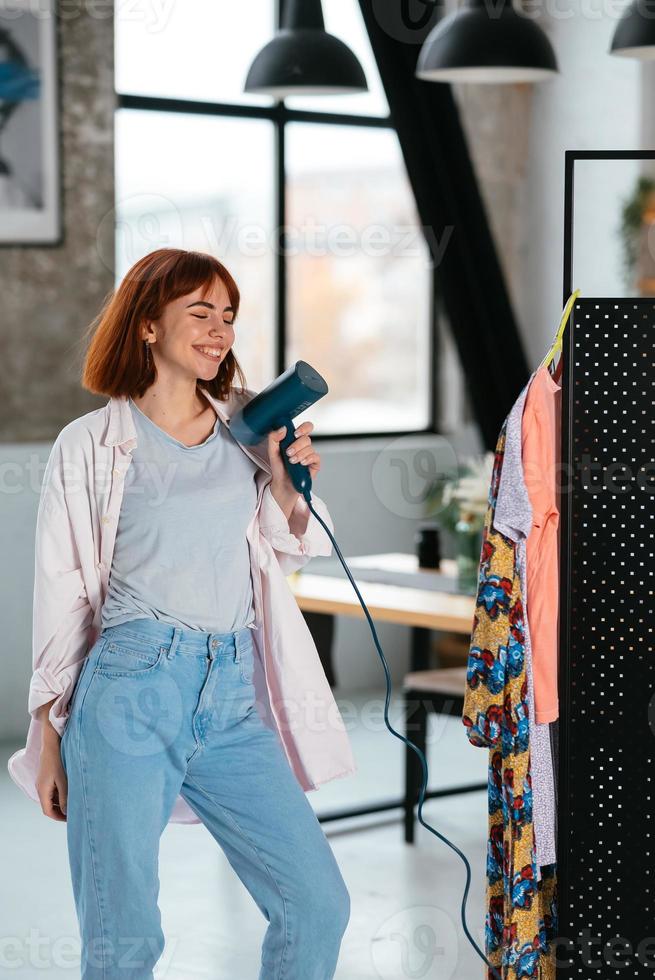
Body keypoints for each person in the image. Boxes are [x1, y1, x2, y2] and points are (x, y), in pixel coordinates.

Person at [19, 247, 352, 978]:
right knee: (123, 935)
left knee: (316, 904)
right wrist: (46, 731)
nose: (218, 330)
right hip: (131, 687)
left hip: (233, 691)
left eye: (228, 316)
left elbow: (283, 546)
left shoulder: (245, 433)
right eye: (199, 312)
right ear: (146, 326)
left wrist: (288, 482)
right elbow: (61, 591)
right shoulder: (91, 445)